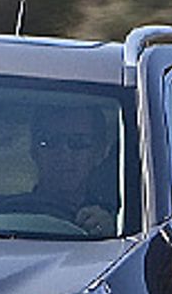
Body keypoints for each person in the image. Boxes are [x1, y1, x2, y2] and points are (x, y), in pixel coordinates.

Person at [17, 100, 121, 234]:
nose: (63, 155)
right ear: (34, 151)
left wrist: (109, 233)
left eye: (79, 142)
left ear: (99, 152)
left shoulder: (125, 226)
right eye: (50, 140)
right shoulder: (4, 218)